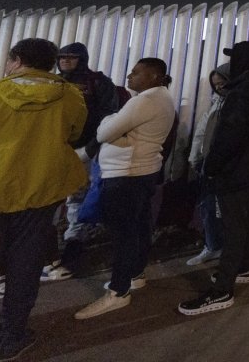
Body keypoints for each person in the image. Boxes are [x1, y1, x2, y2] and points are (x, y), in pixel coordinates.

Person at [0, 39, 88, 360]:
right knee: (25, 264)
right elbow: (75, 133)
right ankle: (10, 336)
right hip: (41, 190)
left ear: (17, 59)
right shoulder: (70, 96)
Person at [74, 58, 176, 320]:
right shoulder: (162, 98)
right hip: (142, 170)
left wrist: (110, 119)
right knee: (139, 226)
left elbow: (104, 133)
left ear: (153, 76)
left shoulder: (145, 100)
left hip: (126, 174)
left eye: (135, 73)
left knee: (123, 234)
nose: (129, 76)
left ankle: (118, 292)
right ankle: (135, 274)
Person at [178, 41, 249, 316]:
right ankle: (245, 267)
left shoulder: (243, 93)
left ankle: (222, 290)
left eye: (235, 58)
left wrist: (211, 166)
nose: (230, 63)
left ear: (243, 60)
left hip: (235, 169)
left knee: (234, 227)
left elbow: (229, 136)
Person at [41, 42, 121, 283]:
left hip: (84, 149)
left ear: (82, 59)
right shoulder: (51, 82)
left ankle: (72, 248)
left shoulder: (97, 82)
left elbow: (109, 114)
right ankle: (51, 251)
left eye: (71, 57)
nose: (65, 61)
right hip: (54, 148)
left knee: (76, 198)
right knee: (49, 199)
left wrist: (93, 146)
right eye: (62, 57)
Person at [186, 64, 230, 266]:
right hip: (207, 164)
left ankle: (221, 249)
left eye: (222, 83)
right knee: (208, 207)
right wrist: (195, 159)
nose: (219, 88)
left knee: (219, 209)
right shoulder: (217, 103)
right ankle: (213, 246)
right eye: (216, 85)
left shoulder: (233, 104)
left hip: (221, 167)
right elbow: (201, 134)